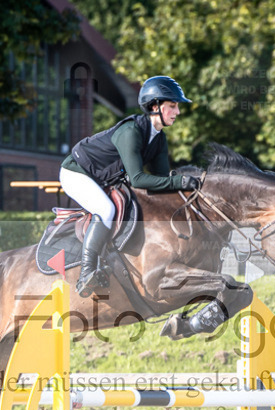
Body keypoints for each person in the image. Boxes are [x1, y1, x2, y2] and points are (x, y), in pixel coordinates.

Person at [60, 75, 201, 297]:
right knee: (106, 209)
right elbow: (138, 179)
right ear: (155, 106)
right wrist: (179, 181)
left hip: (102, 178)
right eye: (173, 106)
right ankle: (86, 273)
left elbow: (160, 181)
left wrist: (183, 185)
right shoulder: (131, 131)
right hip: (76, 173)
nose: (178, 112)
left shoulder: (159, 139)